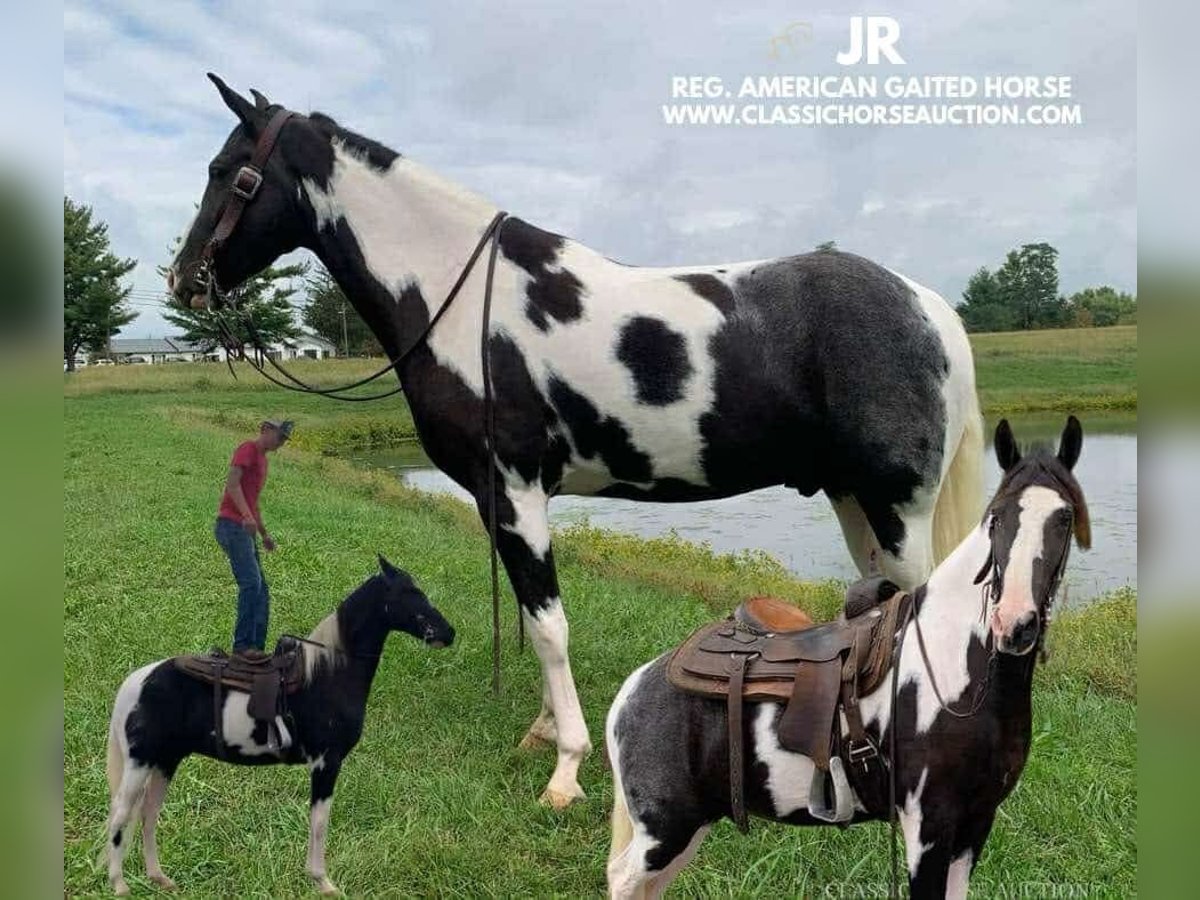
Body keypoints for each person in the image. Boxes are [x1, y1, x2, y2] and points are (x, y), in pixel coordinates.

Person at [214, 418, 292, 654]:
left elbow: (253, 502)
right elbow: (233, 484)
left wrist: (264, 534)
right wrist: (246, 517)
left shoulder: (264, 461)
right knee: (251, 583)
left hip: (244, 529)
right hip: (230, 525)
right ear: (265, 429)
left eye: (285, 440)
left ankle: (256, 648)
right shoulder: (248, 449)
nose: (281, 443)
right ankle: (242, 647)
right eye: (280, 437)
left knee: (262, 589)